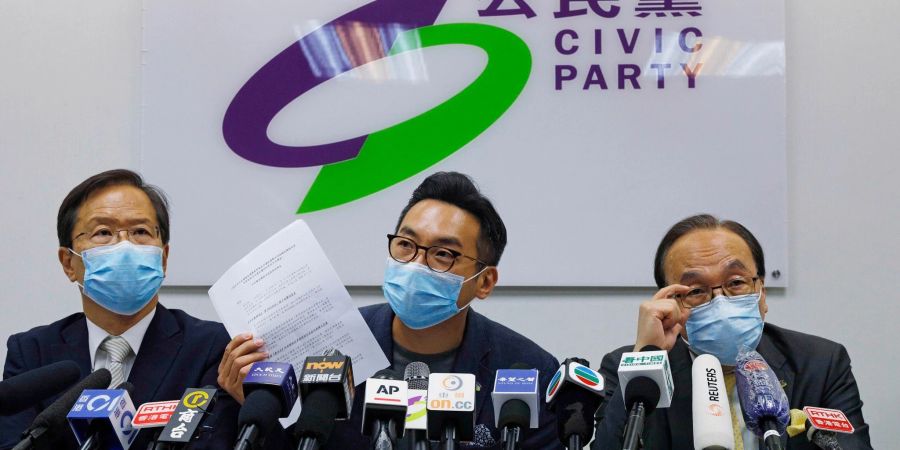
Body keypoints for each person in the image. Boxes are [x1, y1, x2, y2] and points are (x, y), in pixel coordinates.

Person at [219, 171, 562, 449]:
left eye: (443, 254)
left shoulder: (530, 371)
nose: (416, 264)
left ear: (484, 281)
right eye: (406, 245)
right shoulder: (330, 351)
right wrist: (255, 408)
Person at [1, 169, 237, 450]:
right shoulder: (32, 352)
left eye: (140, 231)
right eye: (103, 232)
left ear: (163, 258)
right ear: (68, 262)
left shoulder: (212, 347)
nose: (125, 246)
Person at [592, 214, 871, 449]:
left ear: (761, 292)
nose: (720, 301)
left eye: (736, 282)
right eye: (697, 290)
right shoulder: (625, 368)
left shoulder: (821, 364)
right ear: (669, 303)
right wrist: (647, 358)